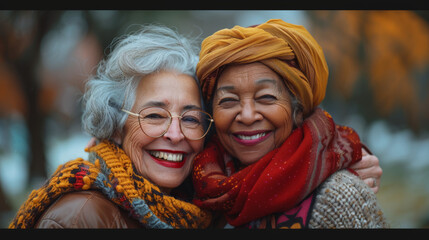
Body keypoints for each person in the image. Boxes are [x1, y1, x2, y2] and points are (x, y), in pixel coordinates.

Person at [8, 25, 213, 229]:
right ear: (116, 126)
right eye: (154, 115)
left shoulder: (198, 209)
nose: (175, 134)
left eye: (191, 119)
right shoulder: (80, 218)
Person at [191, 19, 388, 228]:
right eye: (228, 100)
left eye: (266, 97)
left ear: (299, 109)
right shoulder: (197, 187)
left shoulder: (339, 198)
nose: (247, 116)